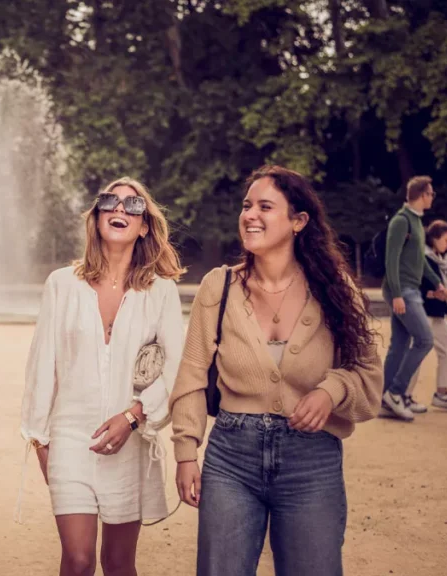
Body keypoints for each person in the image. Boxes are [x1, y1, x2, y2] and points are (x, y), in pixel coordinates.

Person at [169, 165, 383, 576]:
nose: (250, 214)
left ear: (299, 221)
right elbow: (193, 375)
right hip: (230, 457)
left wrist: (331, 391)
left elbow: (368, 371)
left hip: (312, 460)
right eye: (247, 205)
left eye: (265, 206)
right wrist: (185, 452)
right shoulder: (219, 287)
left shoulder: (335, 289)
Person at [20, 177, 185, 576]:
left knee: (118, 563)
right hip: (71, 439)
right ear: (95, 219)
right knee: (77, 562)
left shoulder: (160, 291)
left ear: (144, 226)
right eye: (110, 201)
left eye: (133, 205)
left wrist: (134, 415)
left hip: (131, 442)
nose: (119, 209)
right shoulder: (62, 284)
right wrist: (40, 439)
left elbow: (177, 367)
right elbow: (42, 363)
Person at [381, 175, 447, 421]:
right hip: (403, 291)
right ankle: (396, 392)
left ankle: (383, 398)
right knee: (425, 340)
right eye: (431, 193)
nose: (433, 197)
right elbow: (391, 259)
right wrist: (397, 294)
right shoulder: (401, 221)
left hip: (410, 290)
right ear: (422, 195)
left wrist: (438, 282)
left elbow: (419, 260)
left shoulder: (417, 222)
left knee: (399, 345)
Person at [405, 220, 447, 413]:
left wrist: (438, 293)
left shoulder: (437, 258)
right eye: (446, 240)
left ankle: (440, 394)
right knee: (418, 352)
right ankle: (403, 396)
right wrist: (433, 294)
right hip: (423, 312)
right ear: (434, 238)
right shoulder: (423, 257)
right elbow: (413, 287)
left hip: (434, 313)